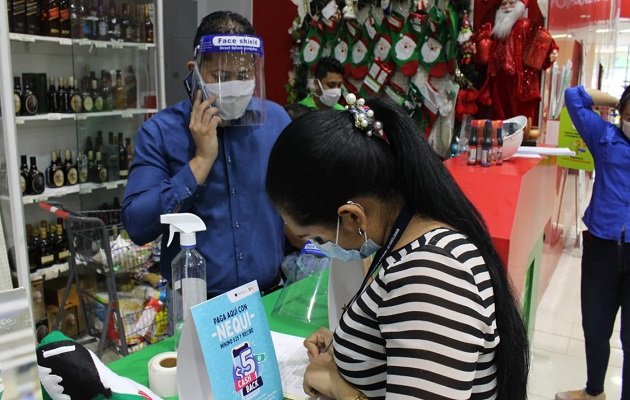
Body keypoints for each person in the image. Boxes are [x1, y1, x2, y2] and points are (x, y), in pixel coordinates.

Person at [266, 94, 529, 399]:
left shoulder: (432, 274)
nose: (322, 248)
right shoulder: (407, 241)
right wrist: (352, 347)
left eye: (320, 239)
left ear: (352, 217)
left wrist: (338, 386)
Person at [122, 11, 291, 297]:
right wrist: (200, 163)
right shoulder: (161, 132)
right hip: (197, 304)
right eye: (222, 76)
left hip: (268, 293)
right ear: (195, 70)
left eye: (244, 75)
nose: (235, 85)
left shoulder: (275, 120)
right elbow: (137, 225)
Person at [555, 86, 630, 400]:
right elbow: (573, 96)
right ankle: (594, 391)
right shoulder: (604, 136)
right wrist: (618, 98)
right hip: (601, 247)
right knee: (595, 327)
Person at [478, 0, 557, 120]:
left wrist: (551, 52)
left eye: (511, 3)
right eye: (504, 4)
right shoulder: (498, 31)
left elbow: (544, 41)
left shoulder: (526, 25)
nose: (506, 7)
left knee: (520, 117)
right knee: (500, 116)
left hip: (519, 81)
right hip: (499, 78)